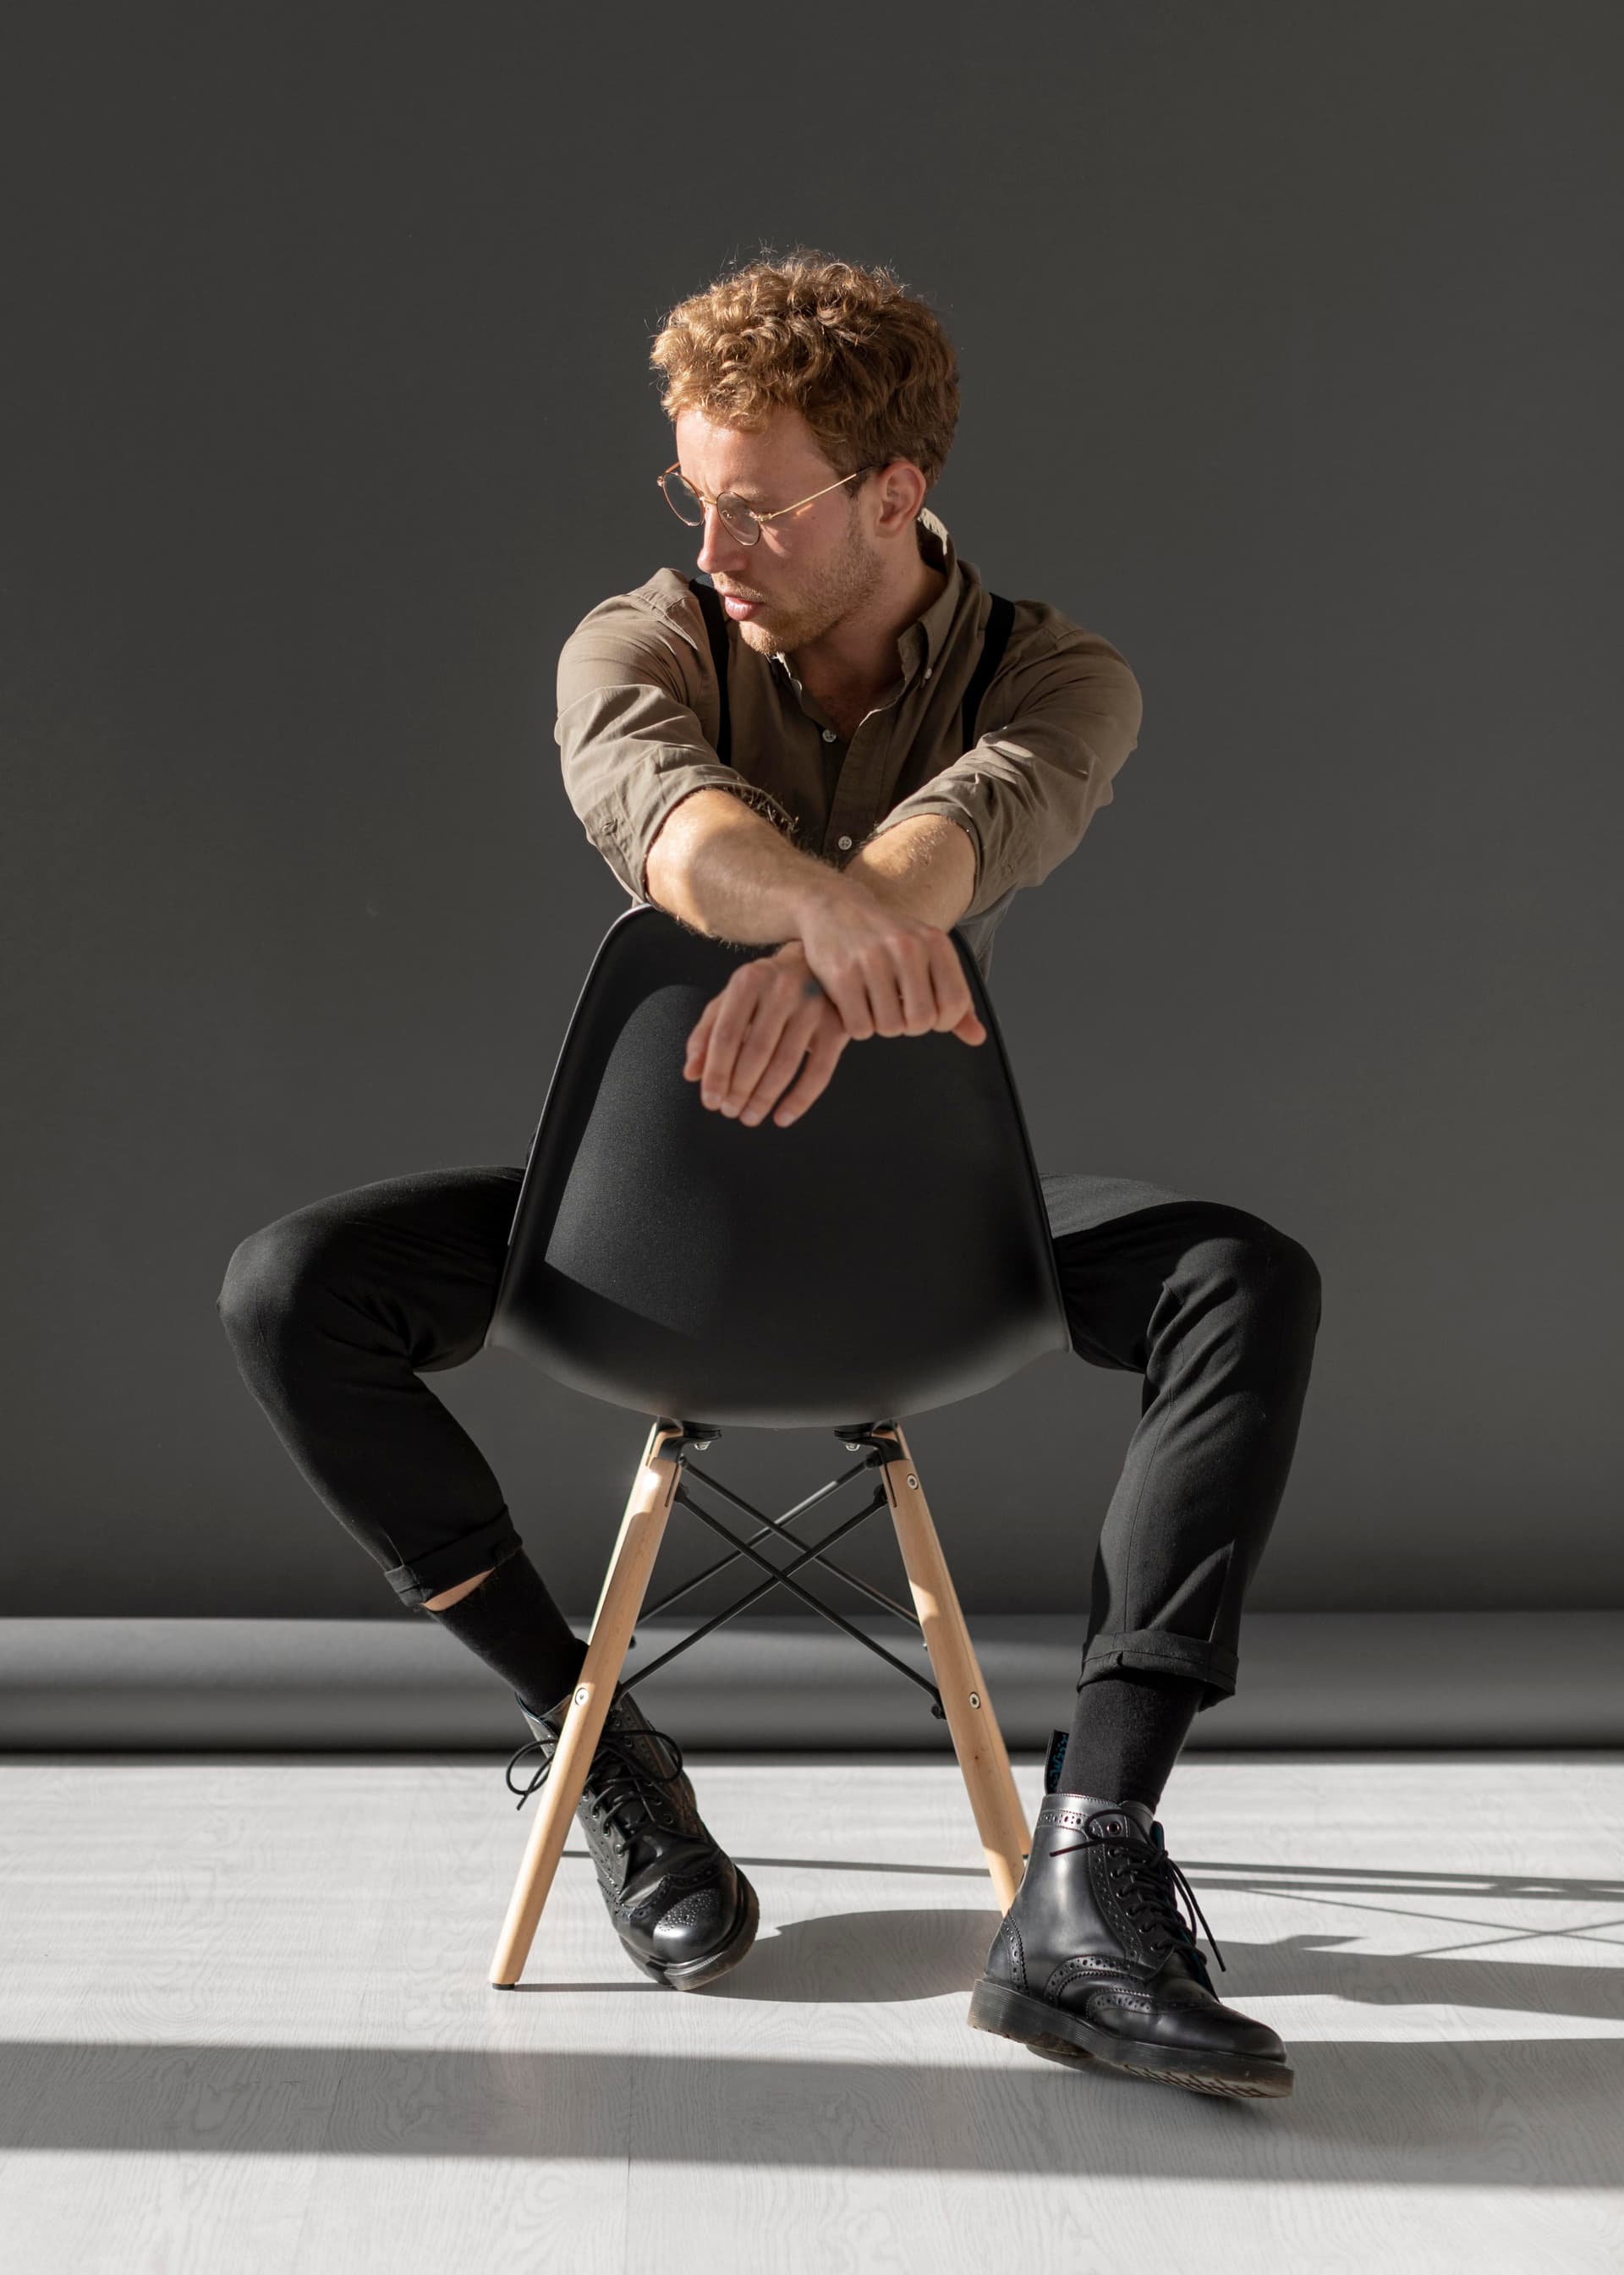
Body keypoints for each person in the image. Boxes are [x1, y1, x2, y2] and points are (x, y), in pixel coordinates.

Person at [217, 248, 1321, 2096]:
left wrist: (834, 933)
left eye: (761, 506)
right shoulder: (635, 635)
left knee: (1246, 1272)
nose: (714, 541)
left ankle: (1093, 1861)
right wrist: (822, 924)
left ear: (895, 492)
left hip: (929, 1245)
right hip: (641, 1239)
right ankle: (602, 1745)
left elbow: (974, 824)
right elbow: (663, 810)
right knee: (290, 1290)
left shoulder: (1057, 672)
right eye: (693, 494)